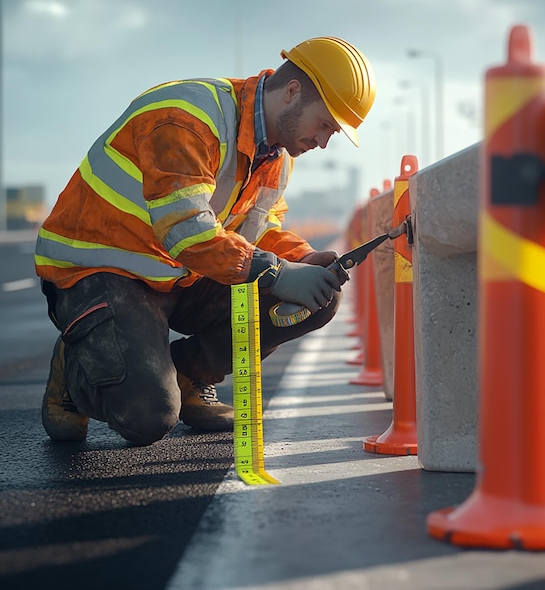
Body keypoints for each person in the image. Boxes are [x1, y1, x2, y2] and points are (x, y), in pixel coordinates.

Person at [35, 36, 376, 446]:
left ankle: (190, 373)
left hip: (181, 274)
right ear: (292, 92)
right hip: (102, 271)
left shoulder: (276, 155)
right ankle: (77, 365)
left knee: (317, 297)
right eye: (324, 125)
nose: (323, 142)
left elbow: (255, 227)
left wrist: (302, 258)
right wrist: (276, 271)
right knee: (147, 418)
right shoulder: (186, 118)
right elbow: (185, 230)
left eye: (333, 133)